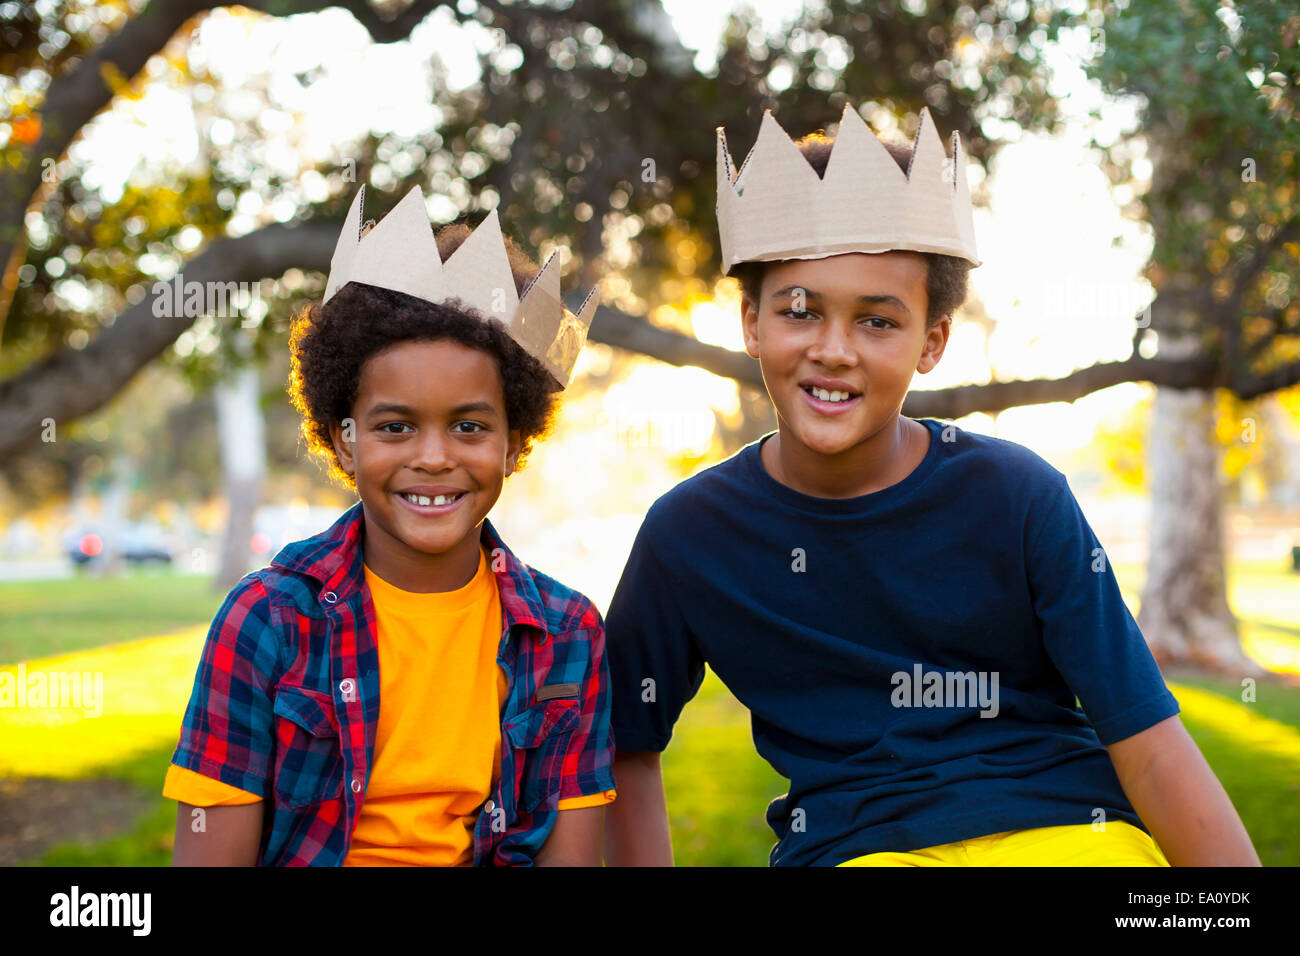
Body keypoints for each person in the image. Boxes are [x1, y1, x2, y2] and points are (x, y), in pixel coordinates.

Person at [602, 104, 1260, 866]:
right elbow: (622, 744)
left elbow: (1144, 733)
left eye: (878, 322)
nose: (834, 349)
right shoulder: (690, 534)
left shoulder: (1018, 495)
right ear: (751, 321)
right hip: (855, 849)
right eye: (799, 311)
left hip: (1067, 833)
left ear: (932, 342)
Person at [163, 184, 615, 865]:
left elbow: (569, 858)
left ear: (515, 442)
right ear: (343, 441)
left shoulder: (566, 635)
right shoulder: (266, 622)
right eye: (395, 426)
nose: (433, 458)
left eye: (469, 426)